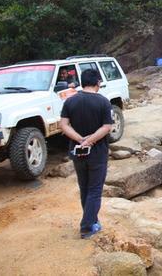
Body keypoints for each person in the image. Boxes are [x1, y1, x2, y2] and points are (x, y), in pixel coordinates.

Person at [60, 69, 113, 239]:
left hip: (77, 151)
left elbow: (64, 125)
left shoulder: (70, 101)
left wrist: (80, 139)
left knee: (84, 188)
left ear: (82, 82)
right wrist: (90, 140)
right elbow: (107, 127)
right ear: (97, 82)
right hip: (97, 153)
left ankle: (92, 219)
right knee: (95, 189)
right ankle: (87, 226)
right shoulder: (103, 102)